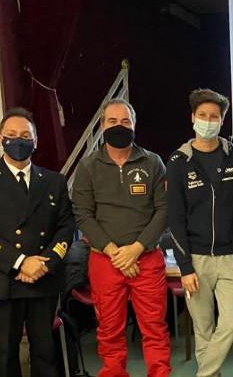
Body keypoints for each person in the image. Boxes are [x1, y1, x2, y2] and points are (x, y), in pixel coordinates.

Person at [0, 107, 75, 377]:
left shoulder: (54, 181)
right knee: (6, 352)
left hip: (43, 278)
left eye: (26, 135)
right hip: (2, 278)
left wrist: (44, 263)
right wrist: (21, 262)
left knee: (45, 351)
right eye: (11, 134)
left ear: (35, 141)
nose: (18, 140)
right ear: (0, 137)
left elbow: (65, 228)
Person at [72, 99, 171, 377]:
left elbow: (164, 210)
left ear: (134, 125)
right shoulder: (88, 166)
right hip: (106, 261)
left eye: (125, 121)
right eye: (112, 121)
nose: (119, 126)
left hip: (146, 260)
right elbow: (82, 214)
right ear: (102, 125)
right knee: (109, 331)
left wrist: (135, 249)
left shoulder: (152, 162)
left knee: (155, 329)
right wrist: (115, 252)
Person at [167, 88, 233, 377]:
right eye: (203, 115)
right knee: (203, 329)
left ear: (223, 120)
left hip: (231, 258)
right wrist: (185, 267)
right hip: (196, 260)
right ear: (193, 117)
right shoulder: (178, 162)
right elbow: (175, 219)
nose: (208, 121)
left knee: (229, 323)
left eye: (215, 116)